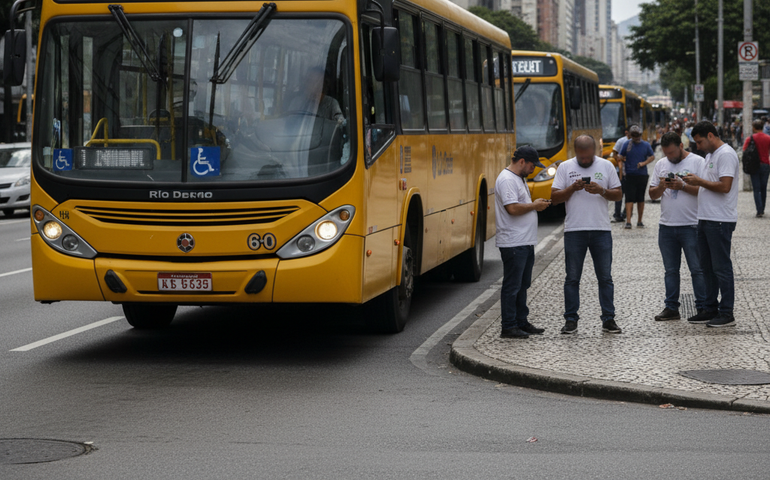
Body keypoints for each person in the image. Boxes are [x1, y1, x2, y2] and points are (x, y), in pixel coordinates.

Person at [551, 135, 623, 334]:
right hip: (575, 230)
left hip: (601, 230)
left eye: (588, 156)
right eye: (581, 157)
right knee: (572, 278)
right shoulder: (565, 167)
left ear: (595, 151)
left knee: (605, 278)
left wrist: (602, 191)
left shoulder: (606, 166)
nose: (584, 160)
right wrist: (572, 188)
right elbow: (555, 198)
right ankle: (571, 320)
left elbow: (618, 194)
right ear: (576, 152)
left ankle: (608, 319)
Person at [682, 121, 740, 327]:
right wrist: (693, 182)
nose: (697, 146)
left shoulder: (726, 154)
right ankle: (709, 308)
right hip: (705, 218)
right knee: (706, 267)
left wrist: (699, 181)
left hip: (720, 220)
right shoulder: (710, 156)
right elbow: (708, 186)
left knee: (721, 267)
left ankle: (727, 312)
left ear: (710, 135)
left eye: (699, 141)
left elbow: (725, 186)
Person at [648, 132, 707, 322]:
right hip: (666, 226)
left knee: (697, 270)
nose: (669, 157)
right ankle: (671, 307)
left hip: (692, 225)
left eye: (672, 153)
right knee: (670, 270)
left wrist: (682, 186)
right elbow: (652, 195)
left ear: (681, 147)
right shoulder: (661, 164)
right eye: (666, 153)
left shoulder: (698, 162)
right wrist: (662, 187)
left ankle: (703, 307)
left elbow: (705, 192)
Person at [494, 146, 551, 338]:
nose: (533, 169)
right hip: (513, 242)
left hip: (524, 241)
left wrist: (535, 203)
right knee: (512, 285)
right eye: (532, 165)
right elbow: (512, 208)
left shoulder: (518, 178)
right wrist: (534, 205)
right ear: (522, 162)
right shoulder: (507, 179)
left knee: (523, 284)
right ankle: (508, 326)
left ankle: (521, 321)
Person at [616, 125, 654, 229]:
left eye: (637, 135)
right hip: (629, 174)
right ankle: (628, 221)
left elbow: (652, 156)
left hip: (642, 175)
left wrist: (644, 163)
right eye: (634, 135)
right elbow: (620, 155)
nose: (636, 137)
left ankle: (639, 220)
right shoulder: (627, 144)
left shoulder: (645, 145)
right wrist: (620, 158)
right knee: (629, 198)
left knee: (640, 198)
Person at [743, 119, 770, 217]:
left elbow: (744, 150)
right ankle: (762, 208)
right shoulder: (768, 138)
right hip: (766, 165)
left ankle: (759, 210)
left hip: (754, 165)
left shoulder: (750, 139)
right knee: (764, 188)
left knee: (756, 188)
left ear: (754, 128)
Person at [611, 129, 630, 223]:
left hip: (631, 172)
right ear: (627, 132)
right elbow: (614, 153)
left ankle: (626, 214)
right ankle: (617, 214)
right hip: (620, 171)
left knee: (630, 195)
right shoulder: (621, 141)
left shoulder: (638, 142)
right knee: (619, 193)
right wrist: (620, 159)